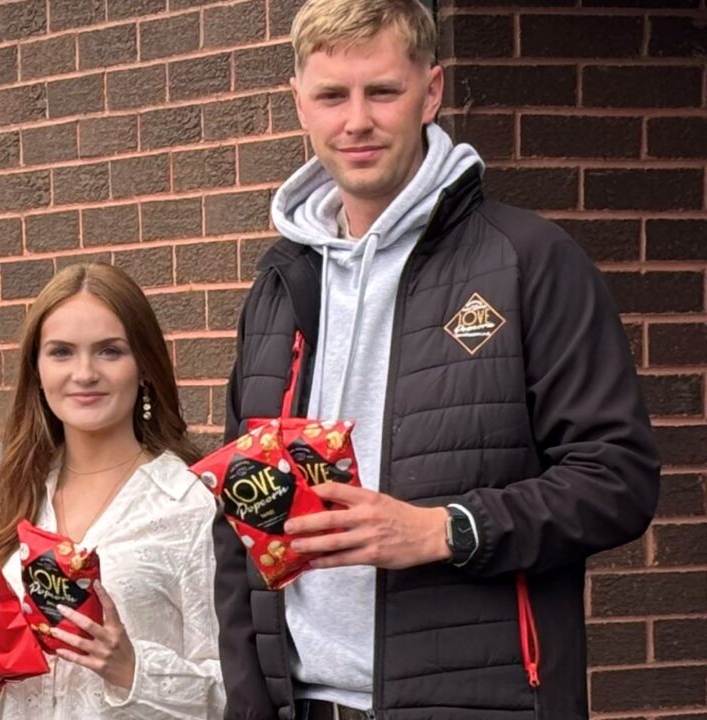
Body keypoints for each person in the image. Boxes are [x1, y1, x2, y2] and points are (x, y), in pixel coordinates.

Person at [213, 1, 661, 719]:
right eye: (332, 95)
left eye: (382, 91)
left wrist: (443, 529)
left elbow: (618, 480)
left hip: (481, 701)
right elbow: (235, 522)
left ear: (432, 91)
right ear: (299, 104)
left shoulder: (529, 261)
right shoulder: (278, 285)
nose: (356, 121)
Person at [0, 262, 224, 719]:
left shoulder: (191, 504)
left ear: (145, 367)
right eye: (61, 352)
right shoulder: (17, 494)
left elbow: (233, 692)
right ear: (37, 371)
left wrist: (131, 671)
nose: (84, 373)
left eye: (109, 351)